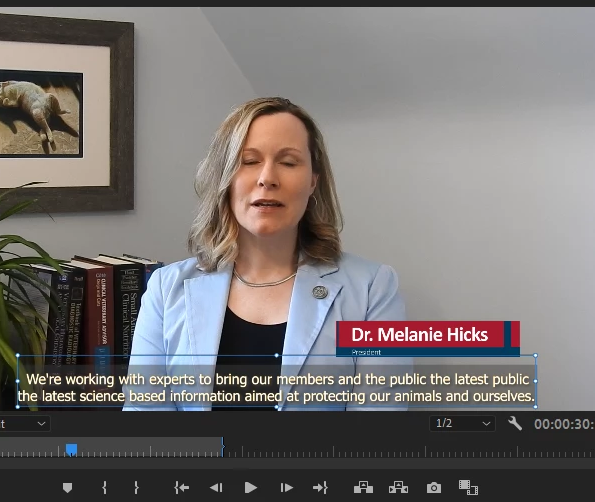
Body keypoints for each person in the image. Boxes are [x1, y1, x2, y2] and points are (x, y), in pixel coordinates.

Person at [124, 97, 405, 410]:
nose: (267, 178)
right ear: (225, 178)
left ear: (313, 181)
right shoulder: (166, 289)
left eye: (288, 162)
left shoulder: (372, 290)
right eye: (249, 161)